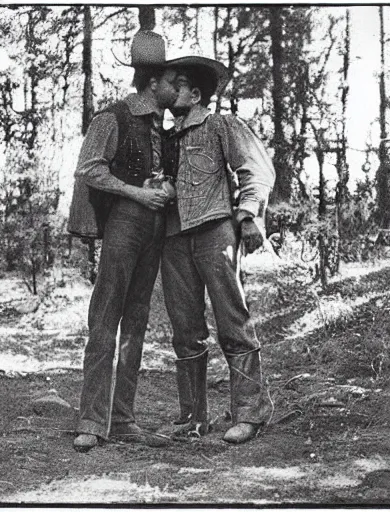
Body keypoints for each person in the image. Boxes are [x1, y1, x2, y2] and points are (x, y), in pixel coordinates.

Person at [67, 31, 178, 452]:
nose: (176, 88)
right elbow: (88, 170)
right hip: (124, 225)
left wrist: (162, 190)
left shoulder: (162, 129)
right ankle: (92, 422)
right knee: (105, 320)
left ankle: (124, 419)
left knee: (136, 323)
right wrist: (136, 193)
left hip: (153, 228)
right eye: (172, 81)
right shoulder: (112, 117)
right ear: (153, 83)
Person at [158, 56, 276, 444]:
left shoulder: (221, 125)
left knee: (232, 320)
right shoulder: (163, 137)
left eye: (176, 84)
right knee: (185, 330)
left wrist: (247, 216)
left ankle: (249, 413)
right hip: (173, 239)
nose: (168, 89)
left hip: (215, 231)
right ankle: (193, 418)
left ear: (194, 94)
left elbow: (255, 167)